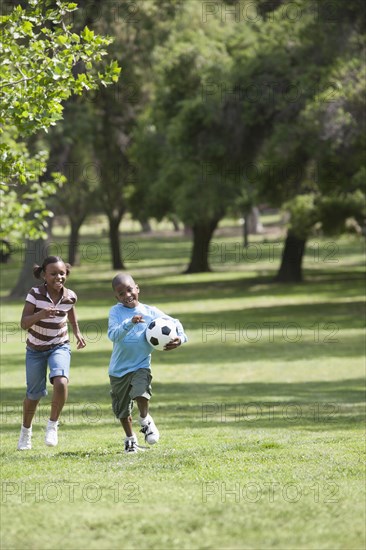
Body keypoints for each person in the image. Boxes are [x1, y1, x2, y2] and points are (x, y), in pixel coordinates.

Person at [108, 273, 187, 453]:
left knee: (141, 393)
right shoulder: (116, 312)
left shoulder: (151, 312)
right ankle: (130, 441)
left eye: (129, 290)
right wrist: (129, 323)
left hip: (140, 365)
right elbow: (113, 335)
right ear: (116, 297)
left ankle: (145, 419)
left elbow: (174, 322)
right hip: (118, 370)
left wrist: (181, 339)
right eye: (121, 293)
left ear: (137, 288)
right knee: (122, 410)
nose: (127, 295)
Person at [17, 255, 86, 450]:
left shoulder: (70, 295)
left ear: (67, 274)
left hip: (59, 345)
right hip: (35, 350)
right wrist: (41, 314)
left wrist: (77, 332)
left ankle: (52, 425)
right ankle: (25, 432)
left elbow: (70, 310)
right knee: (34, 395)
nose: (59, 277)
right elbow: (24, 323)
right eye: (53, 273)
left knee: (61, 381)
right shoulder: (35, 294)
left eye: (62, 273)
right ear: (44, 275)